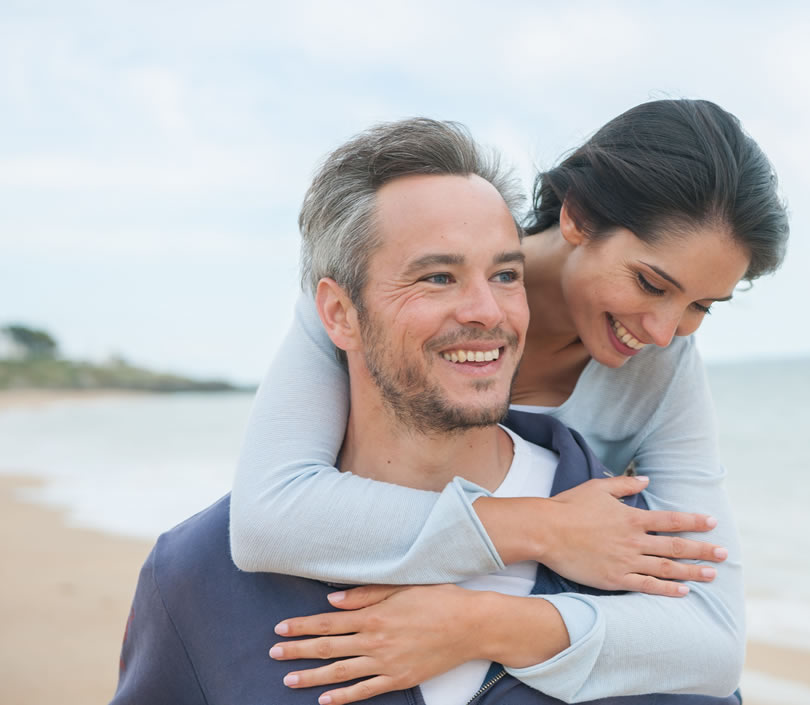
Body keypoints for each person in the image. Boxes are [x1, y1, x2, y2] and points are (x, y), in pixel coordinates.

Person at [112, 117, 743, 705]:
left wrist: (482, 624)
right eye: (439, 277)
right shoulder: (196, 579)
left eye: (505, 276)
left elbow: (715, 644)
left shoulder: (643, 565)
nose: (666, 331)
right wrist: (542, 528)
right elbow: (267, 519)